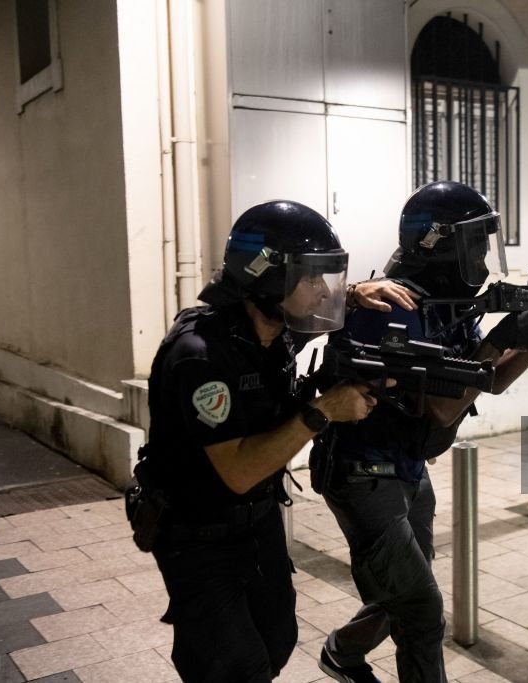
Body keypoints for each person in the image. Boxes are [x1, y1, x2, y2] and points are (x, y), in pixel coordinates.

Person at [310, 181, 528, 683]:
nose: (483, 257)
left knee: (407, 583)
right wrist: (498, 338)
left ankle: (343, 650)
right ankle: (348, 651)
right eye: (474, 244)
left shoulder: (446, 304)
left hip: (406, 468)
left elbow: (489, 380)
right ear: (440, 244)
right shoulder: (393, 308)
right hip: (363, 473)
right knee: (421, 610)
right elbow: (444, 410)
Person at [137, 200, 416, 682]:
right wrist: (324, 409)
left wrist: (354, 291)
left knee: (278, 639)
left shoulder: (274, 331)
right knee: (232, 665)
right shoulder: (200, 355)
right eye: (312, 278)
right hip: (197, 534)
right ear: (267, 278)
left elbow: (313, 314)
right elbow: (240, 472)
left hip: (258, 524)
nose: (321, 290)